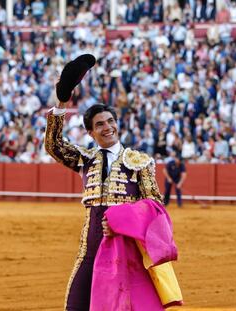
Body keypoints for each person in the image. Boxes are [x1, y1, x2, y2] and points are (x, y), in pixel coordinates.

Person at [44, 55, 175, 310]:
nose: (107, 127)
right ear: (90, 132)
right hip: (90, 246)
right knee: (76, 305)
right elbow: (53, 145)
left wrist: (121, 220)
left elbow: (155, 206)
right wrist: (61, 101)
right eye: (100, 124)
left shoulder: (139, 161)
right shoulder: (85, 158)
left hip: (125, 249)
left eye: (111, 121)